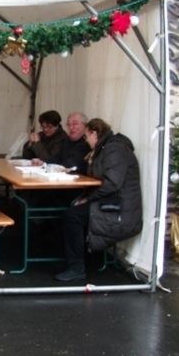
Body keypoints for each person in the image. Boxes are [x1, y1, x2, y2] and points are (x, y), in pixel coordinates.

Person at [55, 118, 143, 281]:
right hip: (112, 201)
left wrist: (88, 198)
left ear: (95, 133)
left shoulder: (113, 149)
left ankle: (76, 267)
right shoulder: (106, 148)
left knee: (72, 216)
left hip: (118, 207)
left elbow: (112, 183)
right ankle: (73, 261)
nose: (85, 140)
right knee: (71, 211)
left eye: (87, 136)